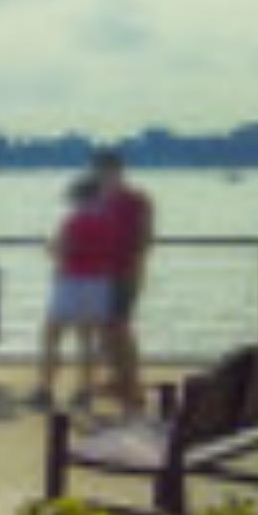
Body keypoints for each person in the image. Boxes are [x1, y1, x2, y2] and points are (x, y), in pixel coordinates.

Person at [35, 174, 125, 409]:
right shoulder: (110, 223)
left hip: (71, 283)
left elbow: (60, 250)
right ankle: (84, 392)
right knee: (86, 341)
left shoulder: (74, 221)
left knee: (52, 336)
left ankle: (45, 389)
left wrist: (49, 246)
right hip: (100, 284)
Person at [89, 145, 157, 410]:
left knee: (120, 329)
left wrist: (135, 269)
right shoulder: (101, 201)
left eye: (104, 171)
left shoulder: (136, 201)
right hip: (103, 274)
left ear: (116, 171)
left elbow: (144, 238)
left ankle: (132, 386)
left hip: (123, 273)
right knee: (106, 331)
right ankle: (120, 379)